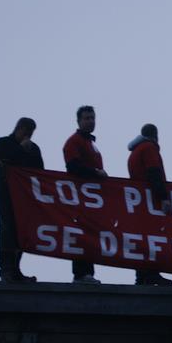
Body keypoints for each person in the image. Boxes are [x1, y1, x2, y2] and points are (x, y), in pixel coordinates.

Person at [0, 117, 44, 283]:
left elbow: (40, 171)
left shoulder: (34, 149)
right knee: (7, 230)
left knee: (21, 232)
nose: (28, 136)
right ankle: (6, 269)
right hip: (6, 194)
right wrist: (22, 150)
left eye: (31, 133)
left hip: (25, 197)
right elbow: (2, 159)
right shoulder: (2, 143)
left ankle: (16, 269)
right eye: (26, 132)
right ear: (18, 128)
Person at [63, 105, 107, 284]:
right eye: (87, 118)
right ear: (79, 121)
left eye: (92, 118)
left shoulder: (91, 144)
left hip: (92, 200)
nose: (90, 121)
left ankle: (88, 272)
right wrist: (96, 173)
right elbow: (73, 167)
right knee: (82, 234)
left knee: (91, 234)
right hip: (81, 197)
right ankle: (81, 274)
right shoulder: (74, 141)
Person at [128, 124, 172, 286]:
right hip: (150, 202)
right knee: (152, 238)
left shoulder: (135, 152)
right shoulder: (149, 149)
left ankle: (142, 275)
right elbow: (154, 172)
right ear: (155, 135)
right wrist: (163, 197)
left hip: (139, 203)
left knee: (142, 239)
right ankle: (151, 273)